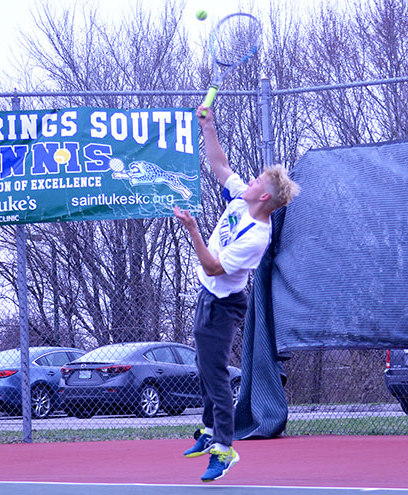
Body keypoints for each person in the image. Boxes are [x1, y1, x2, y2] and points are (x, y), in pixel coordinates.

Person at [174, 104, 300, 482]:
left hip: (223, 304)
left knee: (215, 376)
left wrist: (193, 230)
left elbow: (213, 266)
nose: (252, 182)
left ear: (266, 198)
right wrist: (209, 127)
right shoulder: (244, 198)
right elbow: (220, 165)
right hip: (207, 294)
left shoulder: (258, 236)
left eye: (259, 182)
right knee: (205, 369)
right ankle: (210, 429)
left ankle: (225, 450)